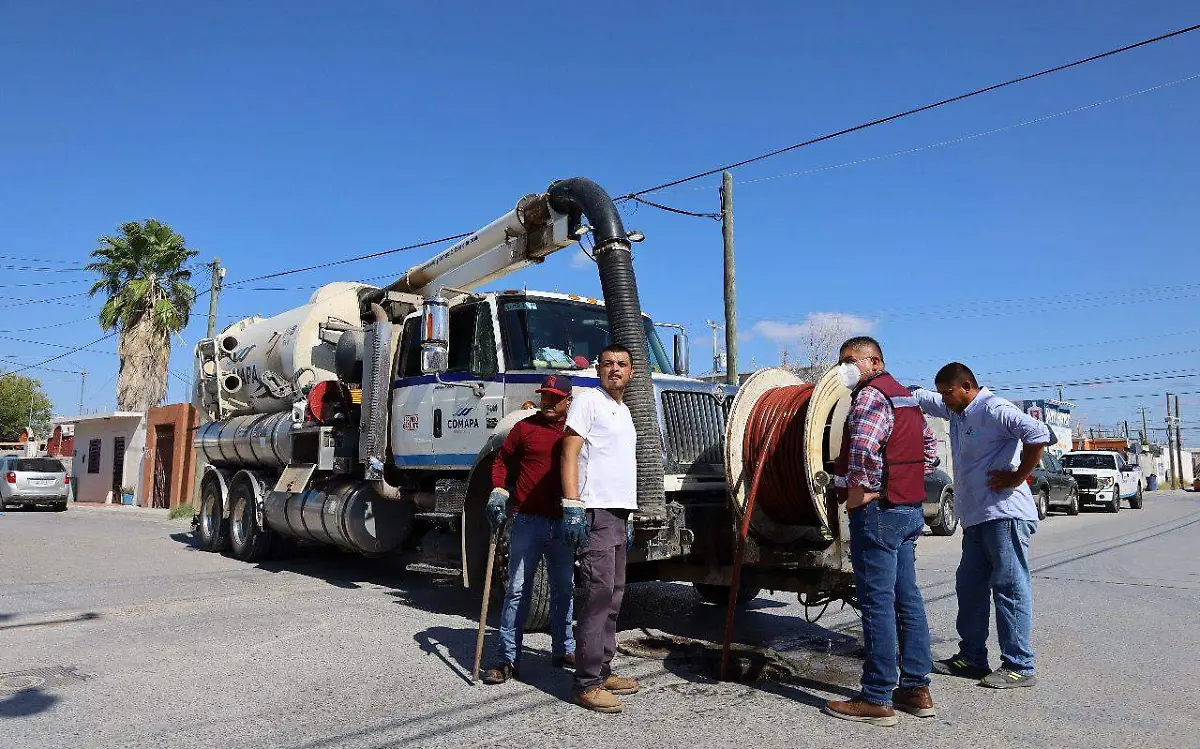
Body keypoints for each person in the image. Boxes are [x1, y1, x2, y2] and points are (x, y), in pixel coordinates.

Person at [911, 362, 1052, 689]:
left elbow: (1038, 434)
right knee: (969, 587)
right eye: (942, 392)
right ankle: (972, 658)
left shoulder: (993, 408)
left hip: (1005, 515)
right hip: (975, 517)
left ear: (967, 386)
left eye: (948, 392)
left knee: (1009, 587)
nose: (943, 398)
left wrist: (1017, 477)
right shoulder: (956, 410)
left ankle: (1019, 665)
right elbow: (920, 397)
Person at [822, 336, 940, 728]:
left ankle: (876, 696)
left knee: (876, 602)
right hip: (908, 510)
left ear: (874, 361)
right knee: (907, 599)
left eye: (850, 361)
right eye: (841, 362)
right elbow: (929, 452)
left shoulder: (871, 397)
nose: (845, 368)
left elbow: (861, 453)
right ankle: (915, 688)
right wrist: (901, 482)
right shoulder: (906, 397)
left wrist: (858, 489)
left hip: (877, 511)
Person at [481, 374, 577, 685]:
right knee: (517, 590)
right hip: (527, 521)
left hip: (565, 522)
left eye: (554, 397)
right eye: (545, 396)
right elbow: (501, 462)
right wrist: (498, 490)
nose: (548, 402)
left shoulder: (575, 432)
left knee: (564, 589)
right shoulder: (524, 428)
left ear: (568, 401)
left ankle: (564, 649)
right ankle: (508, 659)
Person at [560, 344, 639, 714]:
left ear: (632, 371)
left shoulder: (623, 411)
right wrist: (572, 504)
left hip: (619, 513)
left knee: (615, 595)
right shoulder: (587, 400)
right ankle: (587, 683)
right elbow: (569, 452)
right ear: (598, 369)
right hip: (594, 511)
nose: (614, 369)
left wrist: (630, 515)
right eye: (607, 364)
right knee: (596, 596)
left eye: (621, 364)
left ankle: (603, 669)